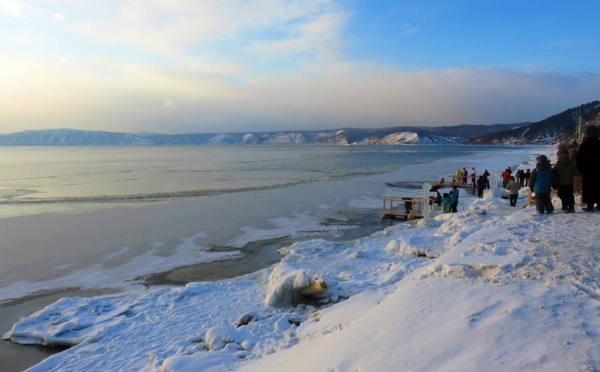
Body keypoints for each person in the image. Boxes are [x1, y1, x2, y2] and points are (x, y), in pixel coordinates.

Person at [576, 125, 600, 212]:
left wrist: (579, 169)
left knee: (589, 188)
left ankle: (590, 206)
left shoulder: (584, 145)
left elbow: (579, 158)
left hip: (588, 171)